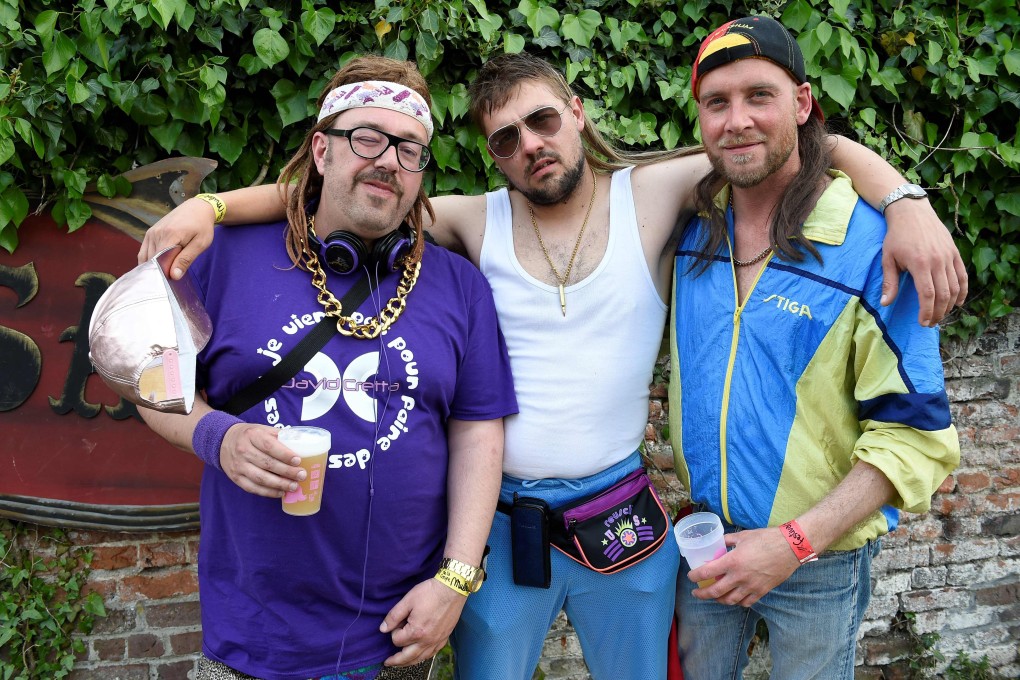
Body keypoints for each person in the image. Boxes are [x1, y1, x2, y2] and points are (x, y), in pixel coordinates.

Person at [138, 53, 967, 679]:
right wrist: (211, 208)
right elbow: (351, 193)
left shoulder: (654, 191)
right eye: (505, 138)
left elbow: (777, 142)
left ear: (575, 113)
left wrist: (906, 201)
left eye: (542, 121)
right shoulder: (465, 220)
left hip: (623, 523)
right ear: (490, 156)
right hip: (501, 528)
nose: (530, 145)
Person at [136, 56, 517, 680]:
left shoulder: (460, 286)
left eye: (410, 149)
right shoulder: (222, 257)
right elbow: (151, 388)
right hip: (254, 635)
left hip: (399, 634)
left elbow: (478, 430)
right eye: (367, 138)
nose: (388, 160)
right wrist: (218, 437)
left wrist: (456, 578)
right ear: (322, 150)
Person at [668, 16, 961, 679]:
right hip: (706, 549)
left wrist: (794, 543)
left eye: (759, 96)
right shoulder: (690, 228)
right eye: (717, 103)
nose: (736, 120)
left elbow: (915, 437)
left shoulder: (874, 247)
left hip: (816, 565)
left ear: (802, 104)